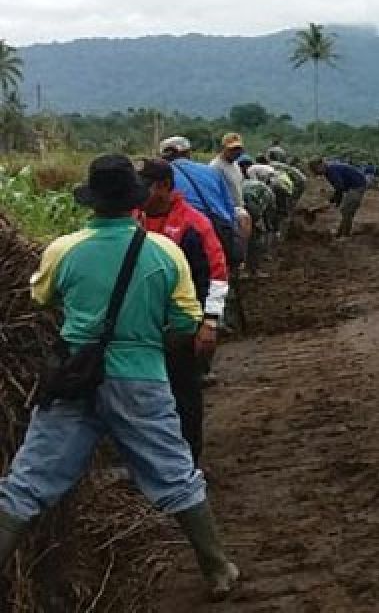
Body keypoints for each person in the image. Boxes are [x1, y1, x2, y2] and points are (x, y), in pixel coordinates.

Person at [0, 155, 239, 600]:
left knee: (27, 482)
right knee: (175, 472)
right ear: (135, 199)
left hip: (75, 378)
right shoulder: (165, 252)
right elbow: (185, 323)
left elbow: (40, 296)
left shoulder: (63, 249)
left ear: (92, 202)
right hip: (142, 378)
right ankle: (218, 568)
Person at [135, 159, 228, 464]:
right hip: (140, 326)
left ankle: (188, 462)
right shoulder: (133, 219)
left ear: (162, 187)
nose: (137, 194)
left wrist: (210, 322)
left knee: (183, 394)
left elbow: (216, 275)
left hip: (180, 328)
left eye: (143, 187)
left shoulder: (193, 224)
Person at [309, 157, 367, 239]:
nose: (316, 173)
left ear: (320, 165)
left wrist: (335, 201)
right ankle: (341, 233)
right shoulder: (329, 170)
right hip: (354, 186)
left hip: (357, 186)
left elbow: (339, 187)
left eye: (315, 169)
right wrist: (335, 200)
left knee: (347, 210)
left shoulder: (331, 171)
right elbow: (338, 188)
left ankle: (345, 235)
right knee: (346, 210)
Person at [239, 157, 277, 277]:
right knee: (256, 237)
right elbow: (265, 215)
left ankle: (241, 269)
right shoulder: (269, 196)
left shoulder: (248, 181)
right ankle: (253, 270)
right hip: (250, 205)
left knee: (239, 236)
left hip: (236, 203)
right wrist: (267, 227)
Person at [209, 133, 246, 213]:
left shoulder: (235, 164)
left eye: (238, 148)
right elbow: (213, 194)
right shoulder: (215, 167)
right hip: (226, 212)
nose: (236, 152)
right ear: (223, 148)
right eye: (232, 149)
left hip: (239, 210)